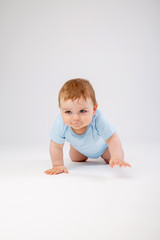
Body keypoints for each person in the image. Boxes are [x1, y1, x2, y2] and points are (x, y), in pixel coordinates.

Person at [44, 78, 131, 175]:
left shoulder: (97, 119)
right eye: (68, 112)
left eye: (82, 111)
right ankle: (76, 146)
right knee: (76, 158)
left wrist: (117, 156)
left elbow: (112, 138)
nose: (75, 118)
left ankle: (113, 156)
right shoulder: (61, 122)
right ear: (60, 109)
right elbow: (56, 146)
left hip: (102, 148)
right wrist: (57, 165)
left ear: (94, 109)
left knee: (110, 158)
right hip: (79, 149)